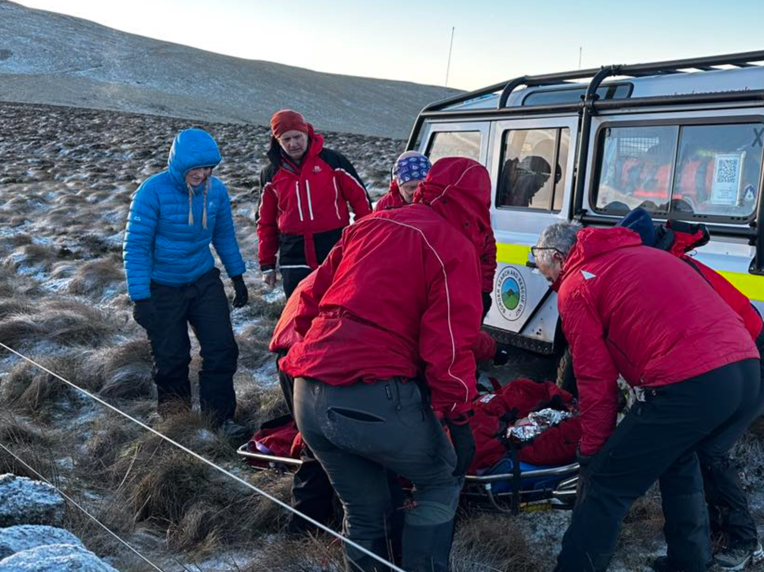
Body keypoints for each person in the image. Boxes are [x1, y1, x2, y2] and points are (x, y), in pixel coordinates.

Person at [274, 157, 491, 572]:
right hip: (367, 394)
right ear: (477, 204)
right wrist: (459, 418)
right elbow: (447, 346)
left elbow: (309, 299)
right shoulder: (451, 244)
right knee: (440, 477)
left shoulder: (370, 225)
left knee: (365, 507)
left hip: (307, 390)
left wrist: (302, 356)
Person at [532, 221, 760, 572]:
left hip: (690, 382)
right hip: (745, 371)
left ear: (557, 257)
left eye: (540, 266)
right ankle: (692, 571)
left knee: (605, 484)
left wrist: (593, 450)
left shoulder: (577, 284)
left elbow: (594, 377)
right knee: (678, 457)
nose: (545, 277)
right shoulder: (641, 254)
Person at [620, 208, 764, 571]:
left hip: (755, 358)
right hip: (734, 359)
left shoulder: (674, 273)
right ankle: (713, 529)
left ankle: (745, 541)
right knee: (697, 446)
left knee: (710, 449)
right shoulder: (667, 266)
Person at [123, 128, 249, 440]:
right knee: (171, 358)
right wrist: (141, 297)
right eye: (196, 167)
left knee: (222, 348)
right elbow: (136, 245)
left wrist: (237, 275)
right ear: (180, 164)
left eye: (208, 168)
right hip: (162, 286)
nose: (203, 173)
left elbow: (224, 235)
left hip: (203, 280)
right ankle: (176, 422)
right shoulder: (151, 191)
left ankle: (220, 419)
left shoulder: (216, 191)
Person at [257, 109, 372, 297]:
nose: (293, 144)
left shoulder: (333, 161)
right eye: (286, 139)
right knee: (299, 312)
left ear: (307, 133)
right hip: (293, 254)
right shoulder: (270, 174)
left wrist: (365, 243)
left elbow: (362, 203)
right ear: (277, 141)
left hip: (334, 246)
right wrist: (267, 263)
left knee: (339, 307)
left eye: (297, 137)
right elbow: (265, 221)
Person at [378, 151, 497, 317]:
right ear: (398, 185)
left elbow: (485, 249)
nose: (415, 192)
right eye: (410, 188)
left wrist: (483, 290)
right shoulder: (384, 208)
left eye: (420, 186)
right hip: (402, 289)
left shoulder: (440, 204)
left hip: (446, 286)